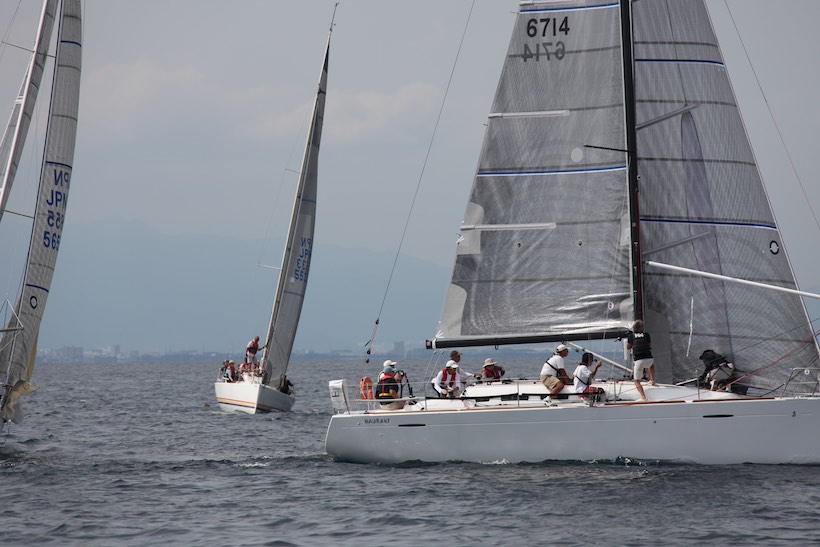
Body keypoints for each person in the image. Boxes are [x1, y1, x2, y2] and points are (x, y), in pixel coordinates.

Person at [627, 320, 655, 402]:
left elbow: (628, 347)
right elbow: (648, 343)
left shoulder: (631, 336)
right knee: (651, 365)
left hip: (639, 361)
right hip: (649, 359)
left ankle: (643, 397)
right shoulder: (646, 335)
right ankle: (652, 380)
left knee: (636, 381)